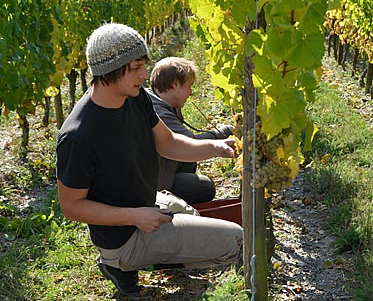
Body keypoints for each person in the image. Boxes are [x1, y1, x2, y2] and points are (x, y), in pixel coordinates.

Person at [56, 23, 243, 296]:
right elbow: (71, 206)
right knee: (236, 240)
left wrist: (215, 147)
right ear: (108, 70)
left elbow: (168, 143)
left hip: (149, 202)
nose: (145, 75)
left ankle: (137, 261)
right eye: (135, 68)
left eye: (144, 65)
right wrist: (136, 217)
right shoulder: (78, 136)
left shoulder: (135, 98)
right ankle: (121, 264)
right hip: (124, 236)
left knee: (195, 216)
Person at [146, 57, 233, 205]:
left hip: (159, 170)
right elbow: (191, 143)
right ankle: (172, 207)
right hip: (153, 185)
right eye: (189, 86)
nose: (191, 92)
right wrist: (225, 132)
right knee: (206, 188)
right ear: (175, 84)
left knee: (190, 165)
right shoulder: (158, 111)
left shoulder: (163, 102)